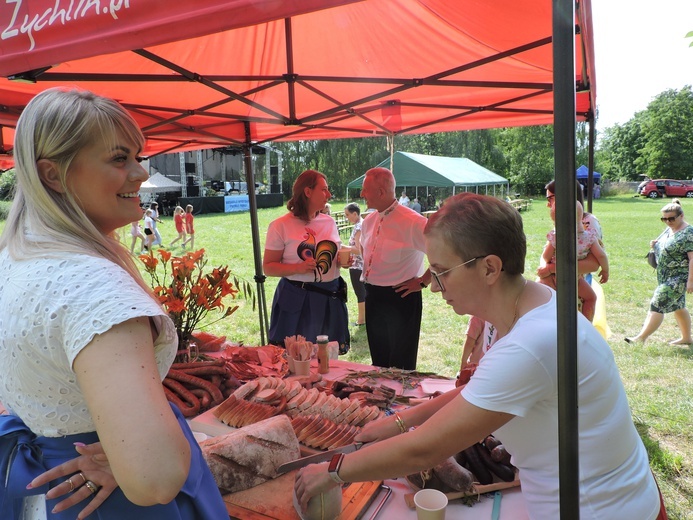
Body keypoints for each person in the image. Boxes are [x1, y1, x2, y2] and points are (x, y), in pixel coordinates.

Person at [294, 192, 663, 520]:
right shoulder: (537, 302)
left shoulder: (529, 345)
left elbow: (426, 450)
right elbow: (481, 392)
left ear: (489, 268)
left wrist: (332, 471)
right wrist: (399, 422)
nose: (435, 287)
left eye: (441, 273)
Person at [0, 88, 227, 519]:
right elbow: (155, 478)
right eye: (120, 159)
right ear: (53, 175)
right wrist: (138, 451)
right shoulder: (92, 286)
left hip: (47, 487)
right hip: (105, 499)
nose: (141, 173)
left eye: (137, 156)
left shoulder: (14, 257)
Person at [263, 170, 350, 350]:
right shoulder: (280, 225)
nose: (329, 195)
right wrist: (298, 268)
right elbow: (268, 268)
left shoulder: (329, 222)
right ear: (308, 192)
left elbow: (334, 255)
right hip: (298, 299)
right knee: (296, 358)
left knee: (326, 358)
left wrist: (342, 261)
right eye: (324, 190)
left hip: (330, 297)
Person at [359, 167, 430, 369]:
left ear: (381, 192)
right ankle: (380, 399)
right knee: (378, 360)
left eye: (365, 189)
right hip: (372, 296)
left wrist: (423, 281)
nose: (362, 194)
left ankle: (400, 399)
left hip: (401, 296)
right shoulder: (368, 221)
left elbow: (445, 256)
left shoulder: (414, 222)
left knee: (401, 365)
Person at [626, 199, 693, 345]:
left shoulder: (689, 233)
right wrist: (655, 245)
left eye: (671, 218)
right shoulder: (669, 229)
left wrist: (690, 281)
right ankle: (687, 338)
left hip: (679, 278)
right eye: (664, 219)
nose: (667, 221)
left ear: (681, 216)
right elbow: (667, 245)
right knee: (679, 307)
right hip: (664, 276)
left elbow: (692, 258)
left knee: (657, 303)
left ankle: (640, 338)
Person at [537, 201, 609, 321]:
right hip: (574, 280)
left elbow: (546, 256)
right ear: (581, 217)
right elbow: (601, 256)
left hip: (551, 277)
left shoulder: (555, 237)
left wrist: (548, 265)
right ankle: (586, 324)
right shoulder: (589, 238)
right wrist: (605, 271)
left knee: (540, 300)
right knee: (591, 298)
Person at [537, 179, 604, 282]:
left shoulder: (588, 221)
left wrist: (551, 269)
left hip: (577, 285)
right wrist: (543, 268)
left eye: (550, 198)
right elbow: (546, 255)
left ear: (565, 197)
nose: (548, 204)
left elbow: (593, 265)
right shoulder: (562, 222)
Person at [343, 202, 366, 326]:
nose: (347, 217)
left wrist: (343, 246)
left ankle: (361, 320)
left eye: (348, 215)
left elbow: (358, 250)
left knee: (360, 293)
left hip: (357, 266)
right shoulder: (361, 225)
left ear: (355, 213)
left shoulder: (358, 227)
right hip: (360, 265)